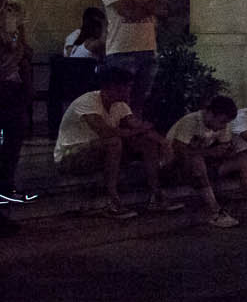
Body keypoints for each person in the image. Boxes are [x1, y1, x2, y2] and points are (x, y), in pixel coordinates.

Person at [54, 66, 179, 218]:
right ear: (111, 87)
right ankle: (111, 200)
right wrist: (136, 131)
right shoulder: (87, 102)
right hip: (71, 155)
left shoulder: (120, 105)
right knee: (113, 142)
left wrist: (164, 143)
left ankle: (156, 194)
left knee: (146, 142)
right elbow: (105, 132)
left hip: (99, 153)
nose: (128, 91)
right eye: (125, 87)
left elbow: (137, 126)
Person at [100, 0, 166, 117]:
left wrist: (138, 5)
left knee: (140, 101)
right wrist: (148, 5)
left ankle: (135, 132)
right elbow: (129, 13)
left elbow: (161, 9)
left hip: (147, 48)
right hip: (122, 50)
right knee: (119, 101)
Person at [167, 95, 247, 228]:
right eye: (221, 122)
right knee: (197, 161)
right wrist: (210, 152)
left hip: (206, 162)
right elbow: (179, 150)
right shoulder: (191, 121)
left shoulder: (222, 126)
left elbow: (224, 145)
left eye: (226, 123)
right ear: (210, 113)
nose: (223, 126)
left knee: (243, 159)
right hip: (177, 164)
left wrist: (228, 151)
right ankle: (215, 211)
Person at [0, 0, 31, 236]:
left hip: (10, 82)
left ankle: (3, 207)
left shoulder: (13, 9)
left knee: (11, 147)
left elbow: (20, 43)